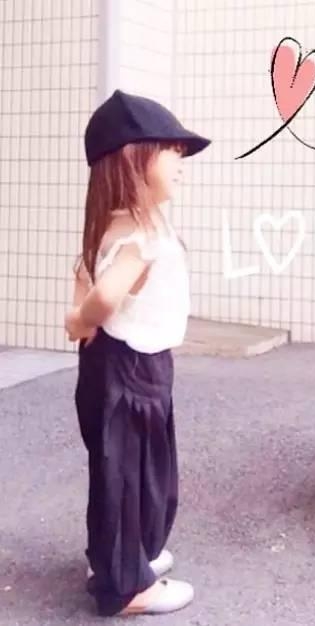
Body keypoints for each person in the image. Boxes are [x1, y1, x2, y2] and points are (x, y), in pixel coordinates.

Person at [64, 89, 210, 615]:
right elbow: (104, 295)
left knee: (132, 470)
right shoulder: (141, 236)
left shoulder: (120, 224)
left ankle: (123, 556)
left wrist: (81, 317)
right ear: (133, 160)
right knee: (128, 474)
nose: (181, 162)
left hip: (130, 363)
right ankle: (126, 585)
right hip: (127, 367)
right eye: (172, 150)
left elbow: (84, 274)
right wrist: (83, 319)